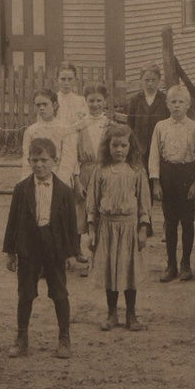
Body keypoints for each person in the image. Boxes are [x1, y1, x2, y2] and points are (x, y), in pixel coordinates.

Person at [2, 136, 77, 359]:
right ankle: (21, 338)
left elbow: (71, 226)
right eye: (34, 160)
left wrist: (71, 253)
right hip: (28, 246)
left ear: (55, 160)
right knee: (25, 293)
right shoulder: (21, 189)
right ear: (28, 161)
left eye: (44, 160)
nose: (39, 165)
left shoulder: (64, 191)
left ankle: (64, 338)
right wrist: (10, 251)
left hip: (54, 247)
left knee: (60, 293)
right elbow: (12, 221)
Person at [87, 123, 152, 332]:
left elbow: (144, 201)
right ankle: (112, 313)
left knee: (129, 270)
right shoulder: (101, 170)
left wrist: (143, 228)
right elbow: (92, 201)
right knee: (109, 271)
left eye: (124, 145)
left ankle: (131, 314)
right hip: (107, 227)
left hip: (129, 227)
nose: (119, 150)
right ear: (108, 146)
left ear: (130, 146)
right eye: (115, 145)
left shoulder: (137, 170)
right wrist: (91, 229)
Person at [148, 85, 195, 282]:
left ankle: (185, 263)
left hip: (187, 174)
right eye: (173, 102)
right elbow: (154, 155)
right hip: (168, 175)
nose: (177, 106)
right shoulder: (161, 127)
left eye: (181, 102)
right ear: (167, 104)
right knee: (170, 222)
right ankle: (170, 264)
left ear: (188, 105)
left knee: (187, 222)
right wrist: (156, 182)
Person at [73, 84, 114, 268]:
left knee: (102, 213)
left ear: (105, 102)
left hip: (105, 174)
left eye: (99, 101)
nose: (95, 104)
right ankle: (79, 252)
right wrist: (76, 180)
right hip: (85, 173)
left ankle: (98, 256)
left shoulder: (110, 125)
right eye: (91, 101)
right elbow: (72, 155)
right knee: (82, 213)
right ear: (85, 101)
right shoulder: (79, 126)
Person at [22, 88, 77, 186]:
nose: (41, 108)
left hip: (59, 178)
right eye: (38, 105)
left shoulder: (66, 129)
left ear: (55, 105)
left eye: (45, 104)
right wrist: (26, 182)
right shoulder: (30, 131)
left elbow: (68, 160)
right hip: (37, 179)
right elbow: (27, 160)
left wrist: (59, 183)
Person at [126, 65, 169, 164]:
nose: (150, 83)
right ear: (141, 80)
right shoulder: (135, 100)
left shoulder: (165, 100)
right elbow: (130, 125)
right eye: (146, 80)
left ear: (159, 80)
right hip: (140, 148)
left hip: (160, 147)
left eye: (153, 80)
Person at [54, 62, 89, 133]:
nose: (66, 83)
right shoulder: (51, 100)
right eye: (63, 79)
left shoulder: (81, 101)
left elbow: (84, 124)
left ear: (75, 80)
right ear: (56, 80)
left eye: (70, 79)